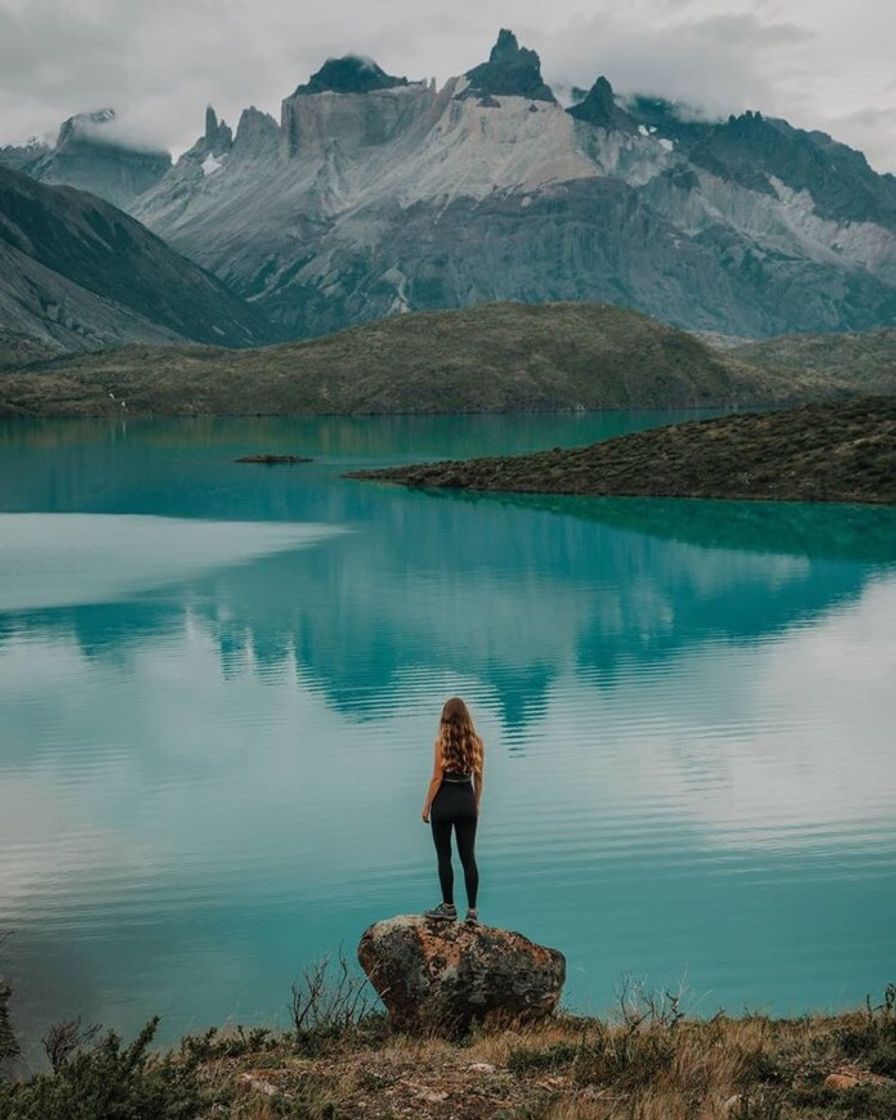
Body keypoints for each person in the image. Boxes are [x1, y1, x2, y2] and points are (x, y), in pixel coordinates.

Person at [421, 696, 484, 923]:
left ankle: (448, 908)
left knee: (444, 856)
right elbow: (479, 778)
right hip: (466, 801)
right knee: (468, 858)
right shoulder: (476, 742)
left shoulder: (441, 743)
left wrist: (426, 806)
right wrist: (475, 804)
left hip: (444, 803)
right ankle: (473, 912)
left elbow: (437, 778)